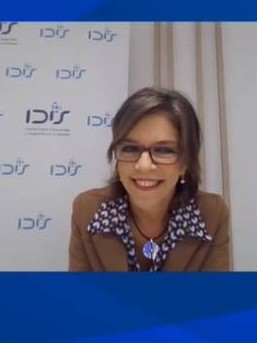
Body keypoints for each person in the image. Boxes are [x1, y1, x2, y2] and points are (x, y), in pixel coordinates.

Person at [69, 87, 231, 271]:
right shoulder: (87, 210)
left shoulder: (212, 214)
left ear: (186, 162)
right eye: (130, 148)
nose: (144, 165)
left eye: (164, 150)